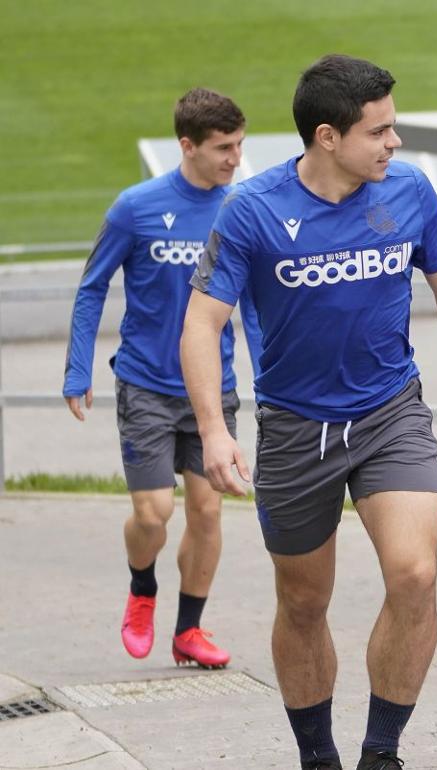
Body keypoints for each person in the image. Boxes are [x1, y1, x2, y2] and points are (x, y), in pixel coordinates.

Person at [181, 55, 437, 770]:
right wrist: (214, 431)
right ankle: (318, 756)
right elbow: (201, 323)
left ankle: (381, 754)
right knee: (302, 602)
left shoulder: (408, 191)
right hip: (294, 429)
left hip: (390, 415)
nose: (394, 143)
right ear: (327, 136)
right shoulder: (253, 209)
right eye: (378, 131)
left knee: (415, 575)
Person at [63, 87, 250, 671]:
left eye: (239, 145)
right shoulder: (135, 207)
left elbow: (260, 302)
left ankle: (188, 630)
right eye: (223, 148)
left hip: (212, 390)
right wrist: (77, 368)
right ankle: (142, 588)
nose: (235, 158)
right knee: (154, 514)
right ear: (187, 146)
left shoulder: (239, 210)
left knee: (208, 511)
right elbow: (92, 286)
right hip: (145, 384)